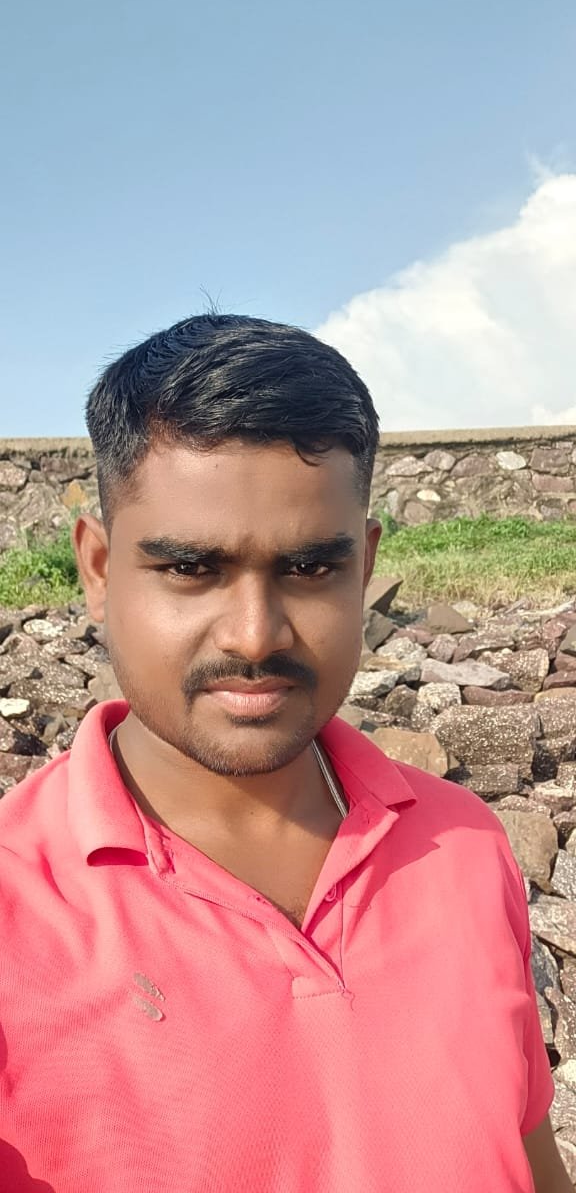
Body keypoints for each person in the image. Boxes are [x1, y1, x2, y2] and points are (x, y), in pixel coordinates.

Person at [0, 313, 570, 1192]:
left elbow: (526, 1156)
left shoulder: (463, 843)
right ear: (99, 570)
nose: (255, 634)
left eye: (309, 570)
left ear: (365, 566)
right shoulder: (16, 915)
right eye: (191, 569)